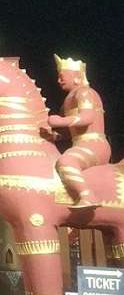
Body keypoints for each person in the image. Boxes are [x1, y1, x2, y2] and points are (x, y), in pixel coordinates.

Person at [48, 55, 111, 208]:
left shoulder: (84, 93)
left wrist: (60, 121)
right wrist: (54, 136)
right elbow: (70, 131)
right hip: (79, 145)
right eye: (58, 77)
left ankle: (88, 196)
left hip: (94, 145)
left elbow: (87, 117)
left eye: (62, 77)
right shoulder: (68, 101)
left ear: (76, 77)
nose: (59, 80)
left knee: (66, 161)